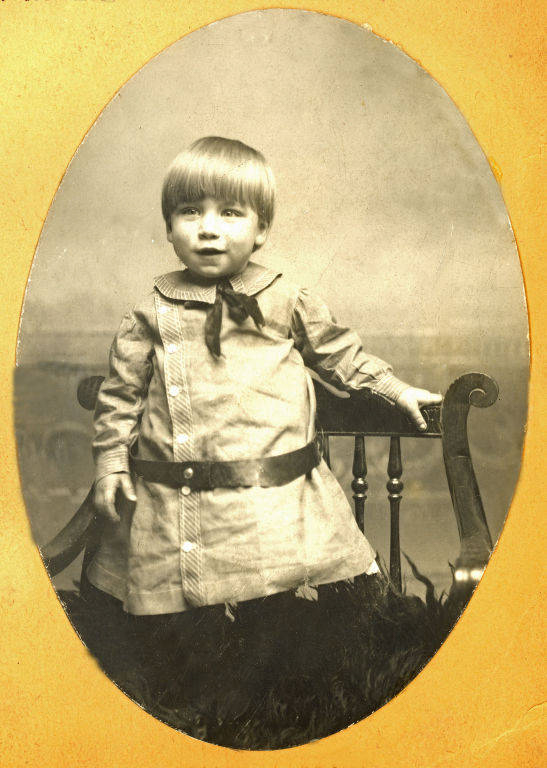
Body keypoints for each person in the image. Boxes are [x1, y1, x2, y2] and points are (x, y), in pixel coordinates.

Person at [87, 136, 442, 722]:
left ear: (261, 230)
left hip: (271, 498)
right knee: (182, 625)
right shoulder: (150, 313)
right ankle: (203, 699)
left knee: (276, 612)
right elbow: (120, 397)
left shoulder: (283, 298)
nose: (208, 229)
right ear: (168, 228)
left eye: (230, 214)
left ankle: (273, 687)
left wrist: (395, 389)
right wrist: (110, 463)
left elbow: (340, 355)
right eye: (190, 212)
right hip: (178, 500)